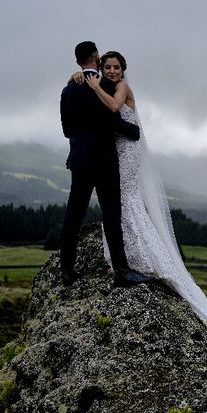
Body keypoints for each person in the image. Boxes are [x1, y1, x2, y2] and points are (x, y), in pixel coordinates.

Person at [74, 50, 207, 365]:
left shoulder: (121, 89)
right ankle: (126, 253)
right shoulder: (102, 81)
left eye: (117, 67)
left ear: (124, 70)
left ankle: (140, 254)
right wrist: (79, 77)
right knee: (120, 199)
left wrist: (92, 85)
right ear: (100, 67)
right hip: (115, 147)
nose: (112, 71)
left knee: (126, 197)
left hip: (127, 151)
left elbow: (114, 108)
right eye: (107, 67)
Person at [60, 41, 149, 287]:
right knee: (111, 214)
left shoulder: (68, 90)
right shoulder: (107, 85)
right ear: (97, 58)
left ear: (78, 62)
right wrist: (132, 129)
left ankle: (67, 270)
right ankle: (121, 271)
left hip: (79, 159)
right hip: (104, 159)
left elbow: (67, 130)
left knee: (74, 214)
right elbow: (111, 120)